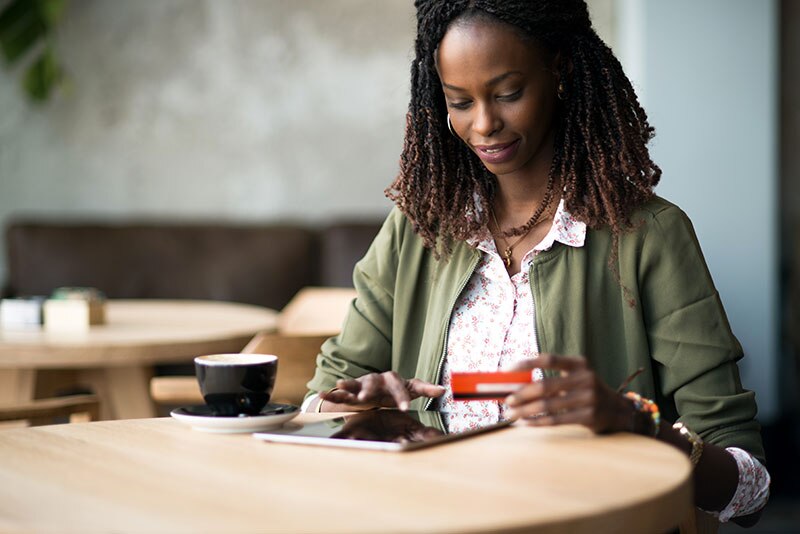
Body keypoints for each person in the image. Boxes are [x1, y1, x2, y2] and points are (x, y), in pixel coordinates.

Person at [303, 0, 769, 525]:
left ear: (560, 73)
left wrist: (633, 421)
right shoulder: (417, 228)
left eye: (508, 94)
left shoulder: (650, 237)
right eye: (459, 102)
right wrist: (357, 412)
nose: (484, 124)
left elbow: (748, 489)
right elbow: (318, 403)